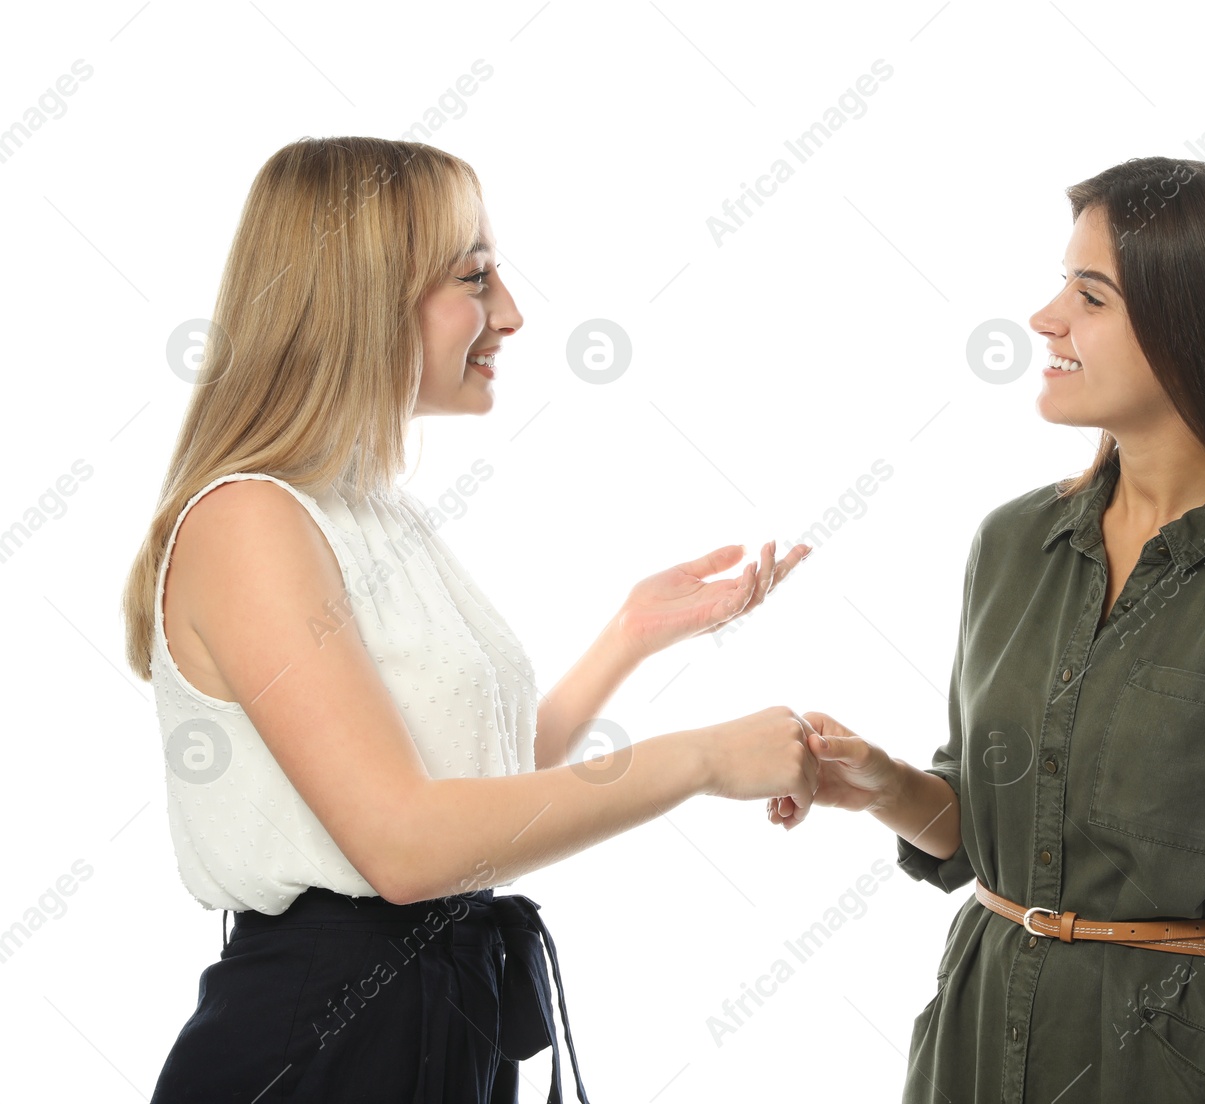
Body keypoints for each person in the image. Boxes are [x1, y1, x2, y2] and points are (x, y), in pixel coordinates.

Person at [122, 136, 826, 1103]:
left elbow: (469, 791)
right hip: (321, 1049)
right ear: (364, 295)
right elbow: (407, 847)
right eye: (475, 277)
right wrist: (699, 760)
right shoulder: (249, 521)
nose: (512, 313)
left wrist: (629, 636)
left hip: (440, 1022)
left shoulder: (371, 509)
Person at [767, 156, 1205, 1103]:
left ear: (1198, 330)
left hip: (1172, 1065)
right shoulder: (1014, 542)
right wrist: (887, 786)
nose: (1044, 318)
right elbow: (993, 830)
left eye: (1089, 296)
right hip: (977, 1045)